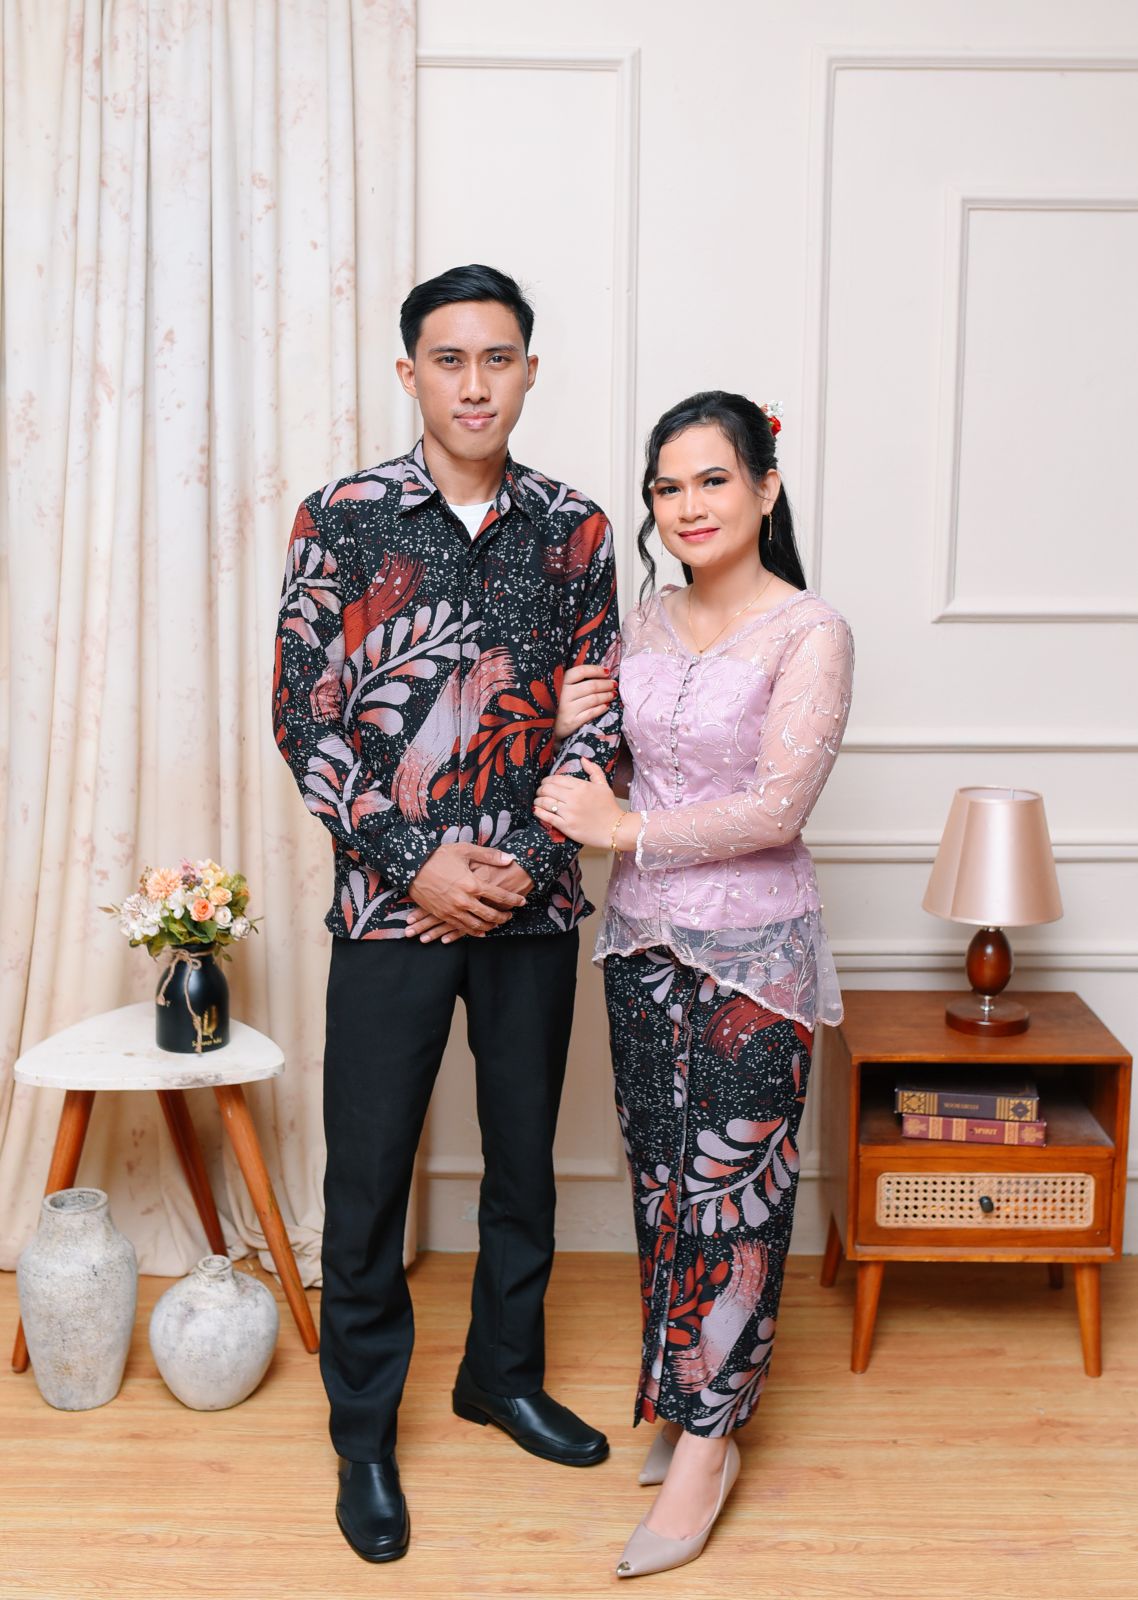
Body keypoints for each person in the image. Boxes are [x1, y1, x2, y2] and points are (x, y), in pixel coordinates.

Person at [273, 264, 622, 1564]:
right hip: (387, 912)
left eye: (498, 357)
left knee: (523, 1163)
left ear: (529, 369)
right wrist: (418, 865)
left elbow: (604, 719)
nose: (475, 383)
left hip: (534, 909)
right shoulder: (341, 519)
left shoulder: (577, 530)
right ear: (409, 371)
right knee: (368, 1177)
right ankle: (363, 1434)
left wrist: (516, 862)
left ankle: (501, 1378)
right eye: (450, 358)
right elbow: (304, 718)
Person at [535, 391, 853, 1579]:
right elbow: (626, 770)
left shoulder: (809, 631)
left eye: (711, 479)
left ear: (764, 487)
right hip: (640, 947)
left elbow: (776, 806)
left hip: (754, 956)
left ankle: (711, 1447)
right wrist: (578, 718)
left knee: (737, 1202)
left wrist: (624, 829)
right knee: (665, 1188)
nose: (686, 506)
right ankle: (683, 1396)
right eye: (666, 487)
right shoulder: (644, 621)